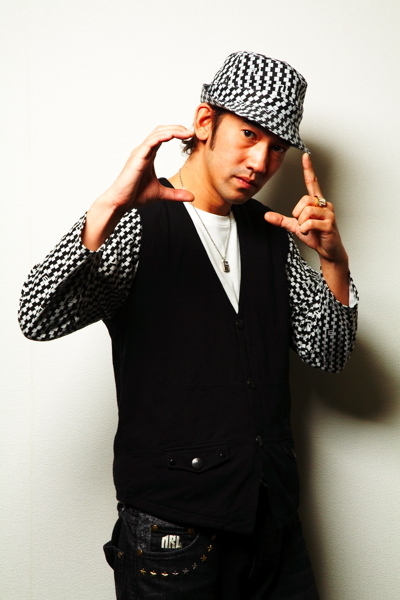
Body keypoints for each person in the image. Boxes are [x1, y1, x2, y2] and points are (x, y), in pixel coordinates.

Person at [18, 51, 358, 599]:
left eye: (277, 147)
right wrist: (107, 208)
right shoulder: (137, 220)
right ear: (205, 122)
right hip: (172, 533)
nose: (261, 161)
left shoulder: (272, 233)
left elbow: (329, 353)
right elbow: (38, 316)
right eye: (248, 135)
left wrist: (334, 262)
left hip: (271, 520)